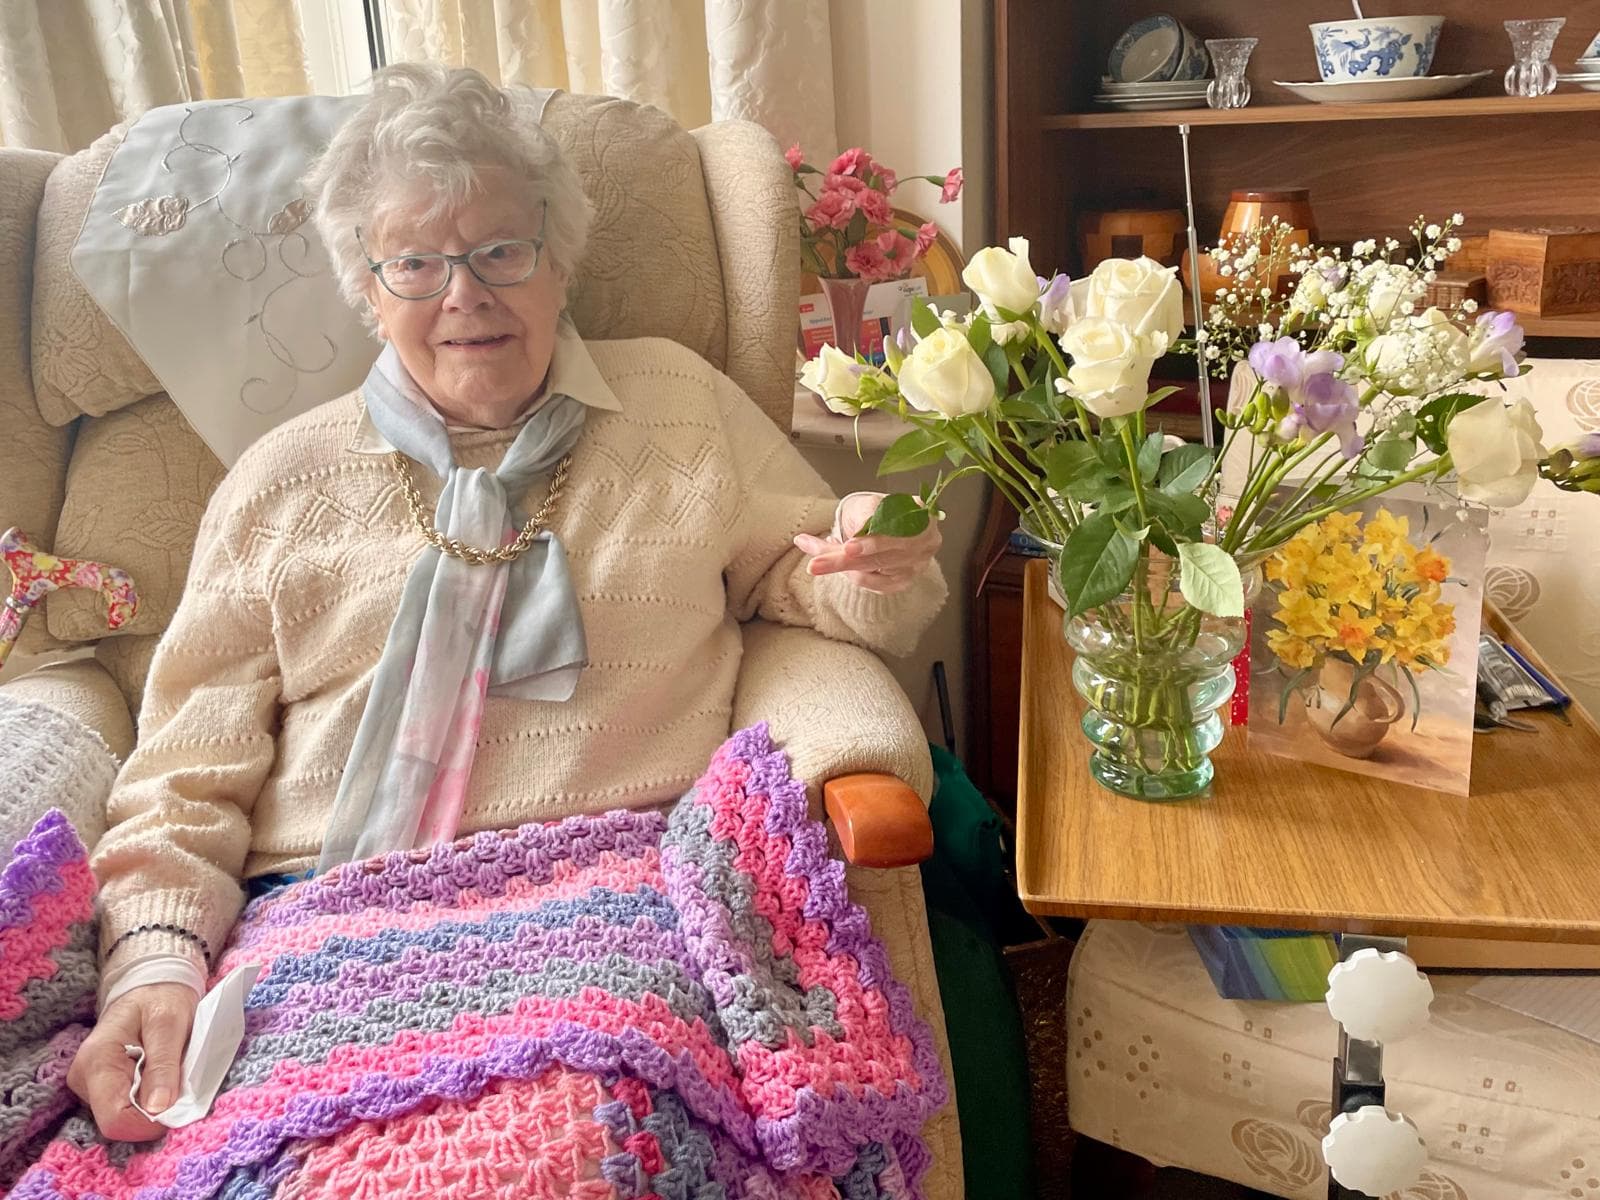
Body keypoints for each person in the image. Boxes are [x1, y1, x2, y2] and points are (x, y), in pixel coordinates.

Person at [68, 63, 946, 1141]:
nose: (465, 295)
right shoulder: (275, 482)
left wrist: (874, 564)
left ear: (558, 259)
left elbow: (803, 577)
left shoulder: (678, 406)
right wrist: (153, 961)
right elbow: (182, 772)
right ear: (364, 287)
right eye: (416, 264)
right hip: (326, 922)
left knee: (574, 1141)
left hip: (620, 901)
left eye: (499, 252)